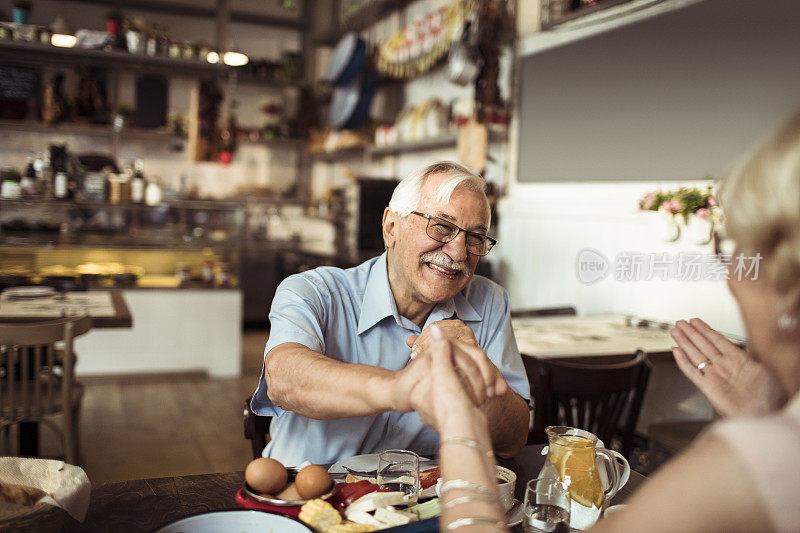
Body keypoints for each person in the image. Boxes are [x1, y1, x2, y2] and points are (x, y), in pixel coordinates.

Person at [588, 113, 800, 532]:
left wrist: (461, 431)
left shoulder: (770, 455)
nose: (730, 276)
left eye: (735, 247)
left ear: (789, 289)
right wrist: (766, 414)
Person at [249, 161, 530, 465]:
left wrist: (479, 373)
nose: (459, 252)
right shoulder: (314, 291)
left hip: (421, 503)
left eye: (475, 237)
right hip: (308, 496)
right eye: (442, 227)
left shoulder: (490, 302)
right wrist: (401, 389)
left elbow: (513, 440)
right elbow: (283, 381)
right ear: (391, 227)